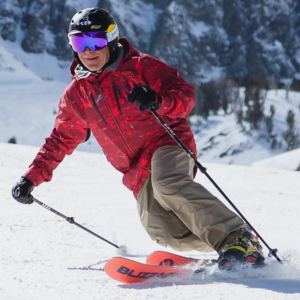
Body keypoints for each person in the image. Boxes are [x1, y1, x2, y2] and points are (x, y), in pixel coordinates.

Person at [11, 8, 264, 270]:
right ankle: (227, 245)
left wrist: (158, 101)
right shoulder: (77, 95)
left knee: (168, 183)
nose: (89, 50)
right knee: (162, 230)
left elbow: (185, 95)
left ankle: (237, 237)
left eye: (96, 41)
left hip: (167, 143)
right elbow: (60, 139)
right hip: (135, 169)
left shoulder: (141, 67)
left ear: (111, 39)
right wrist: (31, 178)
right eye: (79, 42)